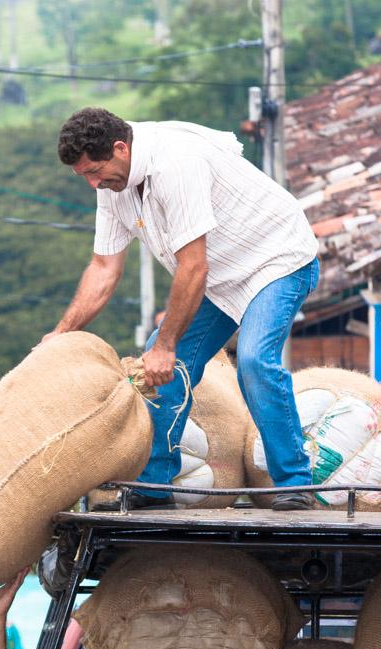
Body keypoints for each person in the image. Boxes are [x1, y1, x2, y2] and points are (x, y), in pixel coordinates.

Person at [50, 108, 320, 511]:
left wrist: (166, 346)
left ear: (120, 148)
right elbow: (104, 268)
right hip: (218, 277)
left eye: (95, 171)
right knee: (160, 371)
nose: (93, 183)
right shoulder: (112, 187)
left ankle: (294, 483)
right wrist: (60, 336)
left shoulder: (177, 163)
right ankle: (153, 486)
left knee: (253, 361)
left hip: (276, 260)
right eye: (84, 177)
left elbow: (193, 265)